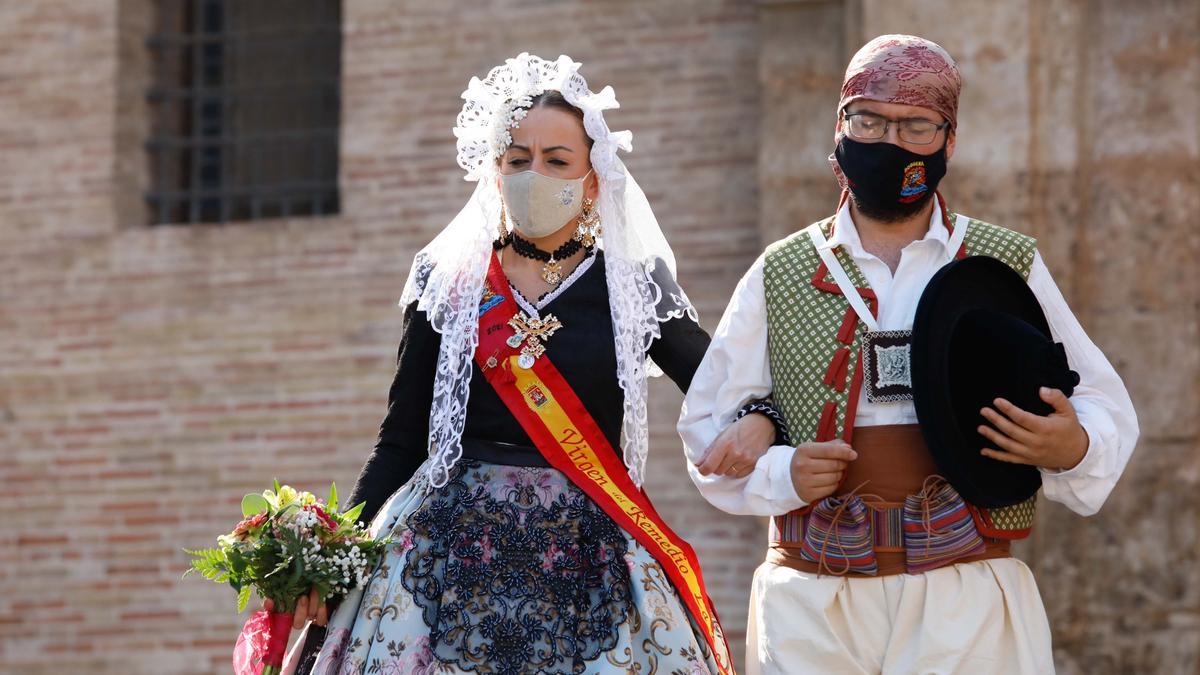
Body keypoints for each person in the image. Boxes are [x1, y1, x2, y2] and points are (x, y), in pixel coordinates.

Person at [282, 53, 782, 675]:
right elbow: (401, 439)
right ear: (495, 172)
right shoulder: (449, 284)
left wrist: (761, 418)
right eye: (518, 160)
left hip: (586, 554)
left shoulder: (632, 287)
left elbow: (721, 385)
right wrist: (336, 555)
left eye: (556, 161)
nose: (534, 174)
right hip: (441, 552)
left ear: (593, 178)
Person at [678, 35, 1139, 674]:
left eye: (916, 125)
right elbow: (707, 431)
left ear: (949, 141)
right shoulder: (779, 270)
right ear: (840, 127)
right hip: (813, 603)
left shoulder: (1003, 264)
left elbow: (1101, 402)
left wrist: (1074, 447)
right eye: (868, 118)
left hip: (966, 597)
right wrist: (781, 473)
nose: (889, 140)